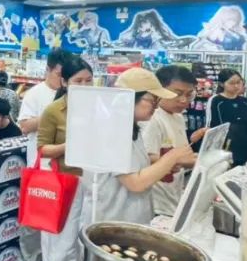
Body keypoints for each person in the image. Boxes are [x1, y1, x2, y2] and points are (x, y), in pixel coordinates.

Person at [81, 68, 195, 225]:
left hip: (128, 218)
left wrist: (164, 165)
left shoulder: (131, 126)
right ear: (128, 98)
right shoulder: (112, 130)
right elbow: (135, 183)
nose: (156, 106)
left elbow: (136, 166)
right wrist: (172, 157)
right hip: (110, 221)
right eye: (152, 100)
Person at [36, 56, 94, 261]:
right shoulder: (54, 111)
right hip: (65, 184)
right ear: (65, 82)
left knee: (86, 244)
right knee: (61, 245)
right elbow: (42, 149)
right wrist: (70, 146)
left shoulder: (100, 107)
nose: (85, 85)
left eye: (89, 80)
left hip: (94, 183)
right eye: (78, 81)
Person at [15, 49, 72, 261]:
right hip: (40, 169)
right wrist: (52, 115)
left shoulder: (74, 96)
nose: (62, 80)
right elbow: (24, 126)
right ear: (48, 70)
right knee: (33, 221)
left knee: (63, 222)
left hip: (68, 170)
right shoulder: (35, 94)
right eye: (59, 74)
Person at [143, 66, 203, 217]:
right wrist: (181, 161)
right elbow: (145, 158)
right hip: (155, 205)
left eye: (189, 94)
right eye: (177, 94)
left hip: (172, 199)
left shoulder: (178, 117)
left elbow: (177, 151)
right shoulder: (153, 119)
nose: (184, 100)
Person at [206, 69, 247, 166]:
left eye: (238, 82)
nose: (236, 86)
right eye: (232, 83)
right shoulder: (216, 101)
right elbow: (211, 128)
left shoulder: (246, 102)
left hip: (246, 151)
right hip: (224, 151)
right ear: (222, 84)